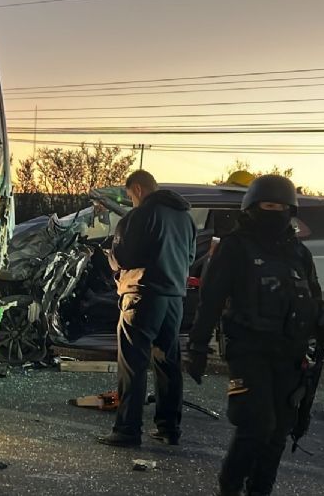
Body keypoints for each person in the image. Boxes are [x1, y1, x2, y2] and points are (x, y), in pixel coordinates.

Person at [186, 175, 324, 496]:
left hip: (291, 353)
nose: (274, 212)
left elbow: (315, 304)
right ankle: (229, 488)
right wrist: (198, 346)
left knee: (278, 434)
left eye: (281, 207)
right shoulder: (235, 247)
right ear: (252, 208)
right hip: (249, 350)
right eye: (267, 205)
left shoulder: (298, 253)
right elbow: (212, 298)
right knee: (256, 427)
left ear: (291, 211)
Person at [98, 170, 196, 448]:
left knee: (133, 364)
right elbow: (190, 256)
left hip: (142, 295)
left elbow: (124, 255)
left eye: (130, 196)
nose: (131, 201)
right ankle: (168, 428)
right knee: (168, 363)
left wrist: (111, 259)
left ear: (138, 189)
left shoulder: (140, 216)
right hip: (174, 298)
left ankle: (128, 430)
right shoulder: (185, 218)